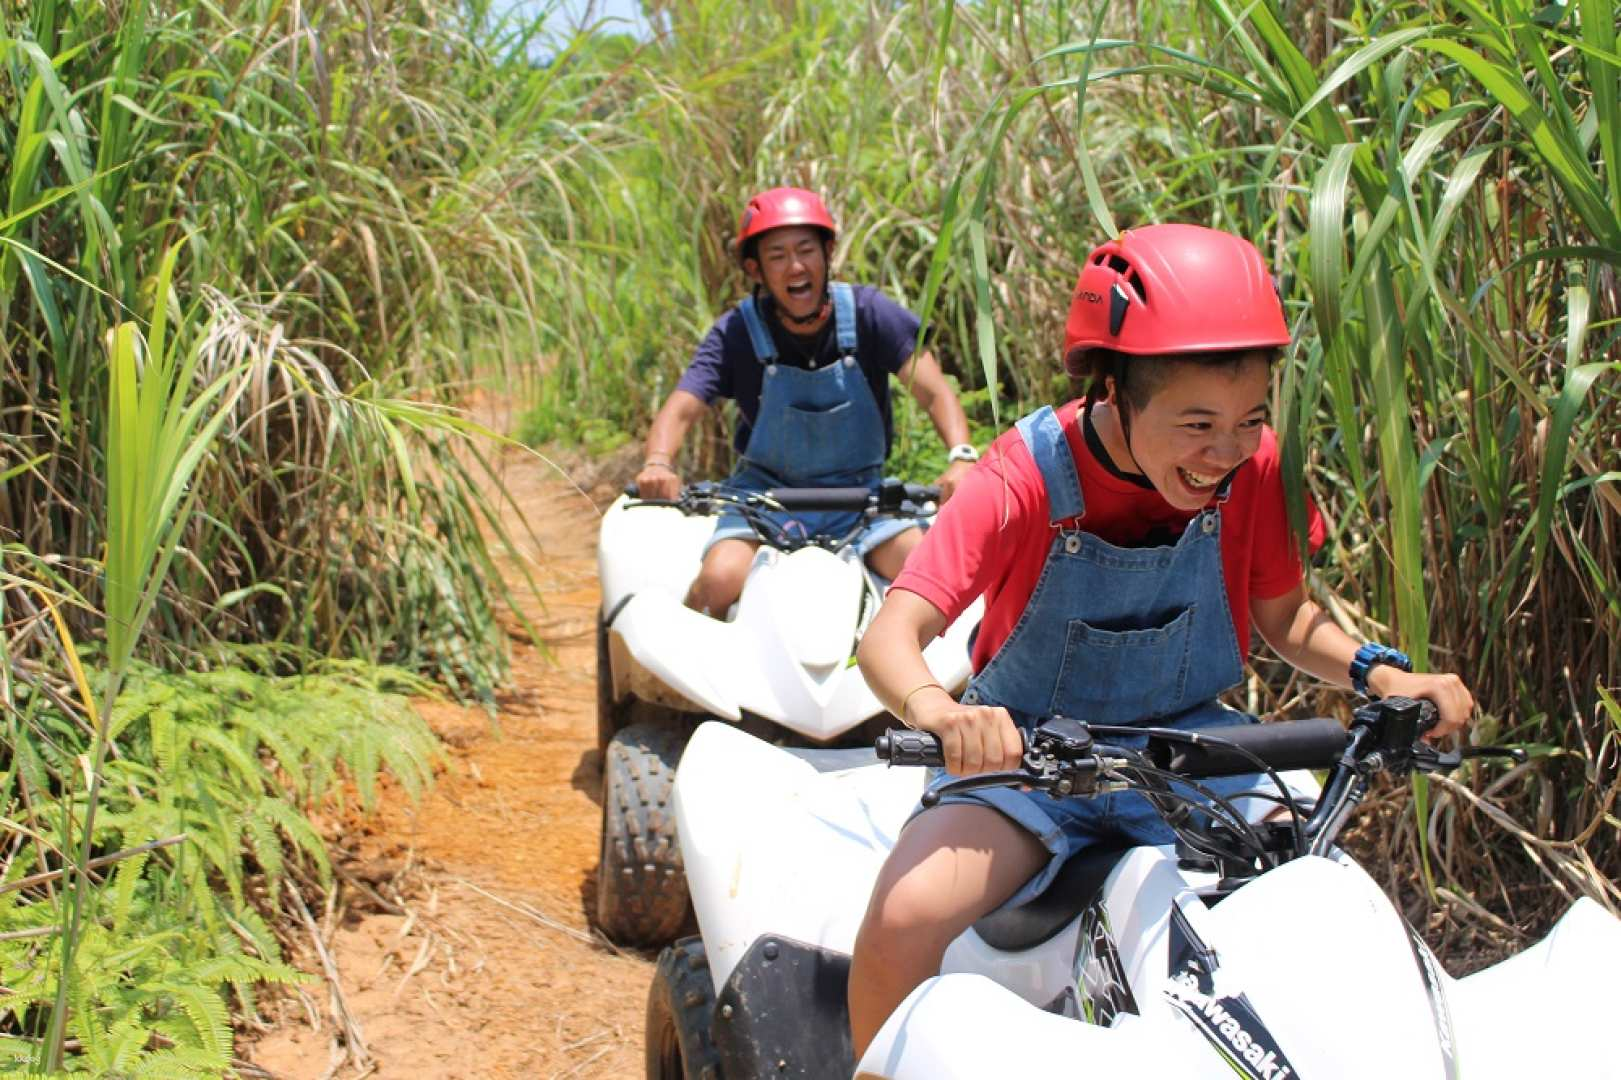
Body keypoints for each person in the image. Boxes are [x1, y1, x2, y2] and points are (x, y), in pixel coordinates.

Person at [846, 223, 1476, 1056]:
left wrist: (1379, 672)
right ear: (1114, 391)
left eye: (1249, 419)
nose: (1225, 452)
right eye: (1196, 424)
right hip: (1025, 762)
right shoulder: (1022, 474)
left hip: (1190, 752)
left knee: (1325, 901)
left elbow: (1284, 618)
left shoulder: (1256, 470)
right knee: (904, 917)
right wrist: (938, 709)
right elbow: (891, 632)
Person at [634, 187, 979, 616]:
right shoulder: (737, 332)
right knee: (719, 579)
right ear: (755, 269)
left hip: (861, 500)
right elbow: (682, 407)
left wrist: (962, 456)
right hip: (763, 499)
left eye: (805, 250)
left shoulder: (871, 313)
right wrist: (658, 461)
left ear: (828, 251)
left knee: (930, 572)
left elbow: (934, 391)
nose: (795, 266)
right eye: (777, 256)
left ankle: (934, 678)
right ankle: (674, 678)